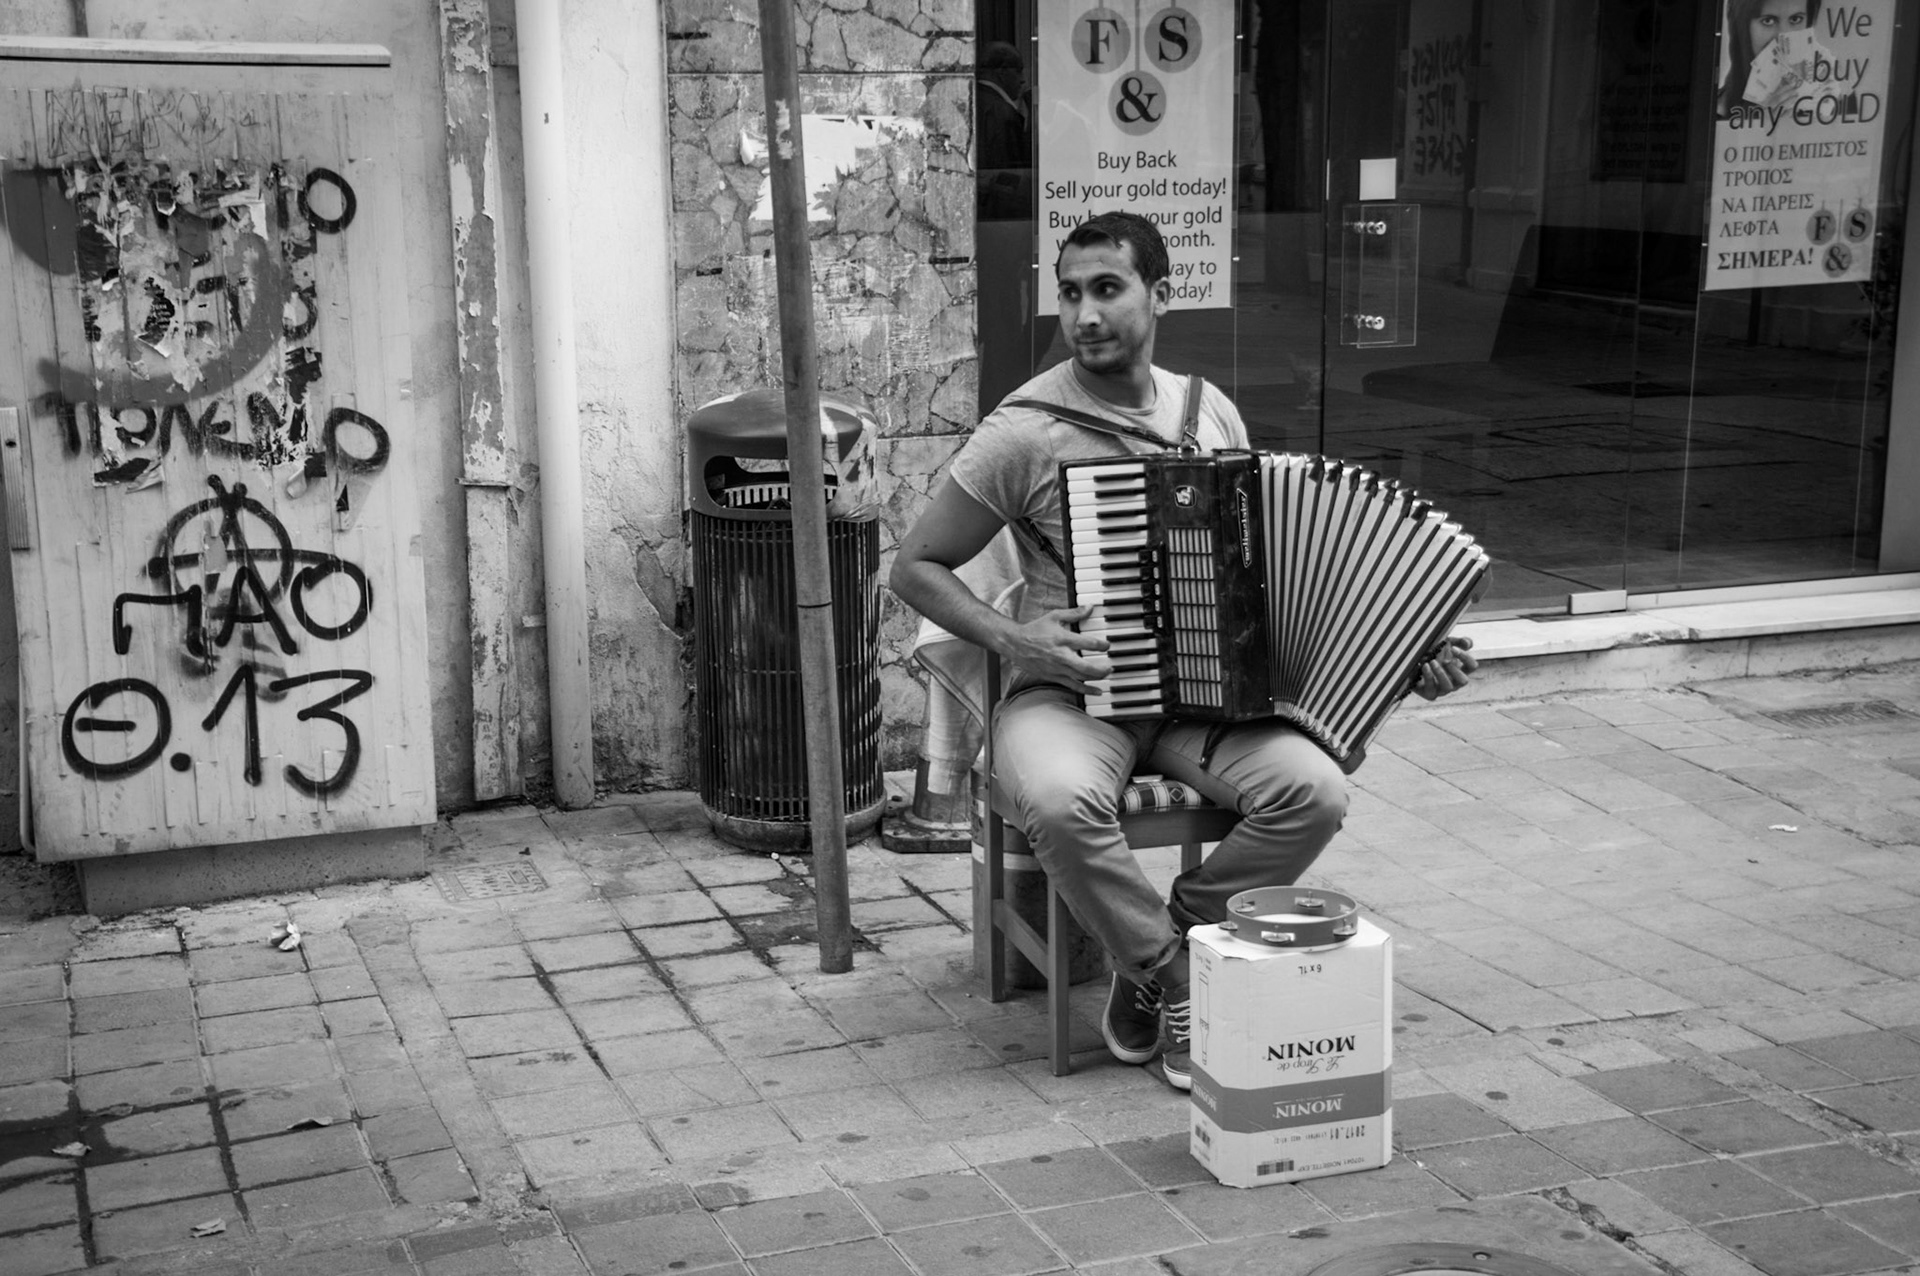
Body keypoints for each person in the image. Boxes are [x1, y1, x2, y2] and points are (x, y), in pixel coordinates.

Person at [890, 210, 1477, 1091]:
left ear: (1161, 294)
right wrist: (1018, 639)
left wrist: (1405, 655)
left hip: (1202, 702)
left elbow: (1266, 577)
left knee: (1315, 793)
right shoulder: (1025, 432)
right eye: (1070, 293)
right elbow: (915, 566)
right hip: (1072, 698)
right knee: (1057, 801)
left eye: (1107, 288)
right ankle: (1173, 979)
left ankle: (1161, 948)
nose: (1085, 314)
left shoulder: (1211, 415)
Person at [1716, 0, 1824, 117]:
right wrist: (1759, 125)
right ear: (1742, 28)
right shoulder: (1711, 111)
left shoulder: (1826, 106)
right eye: (1768, 21)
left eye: (1795, 19)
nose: (1783, 36)